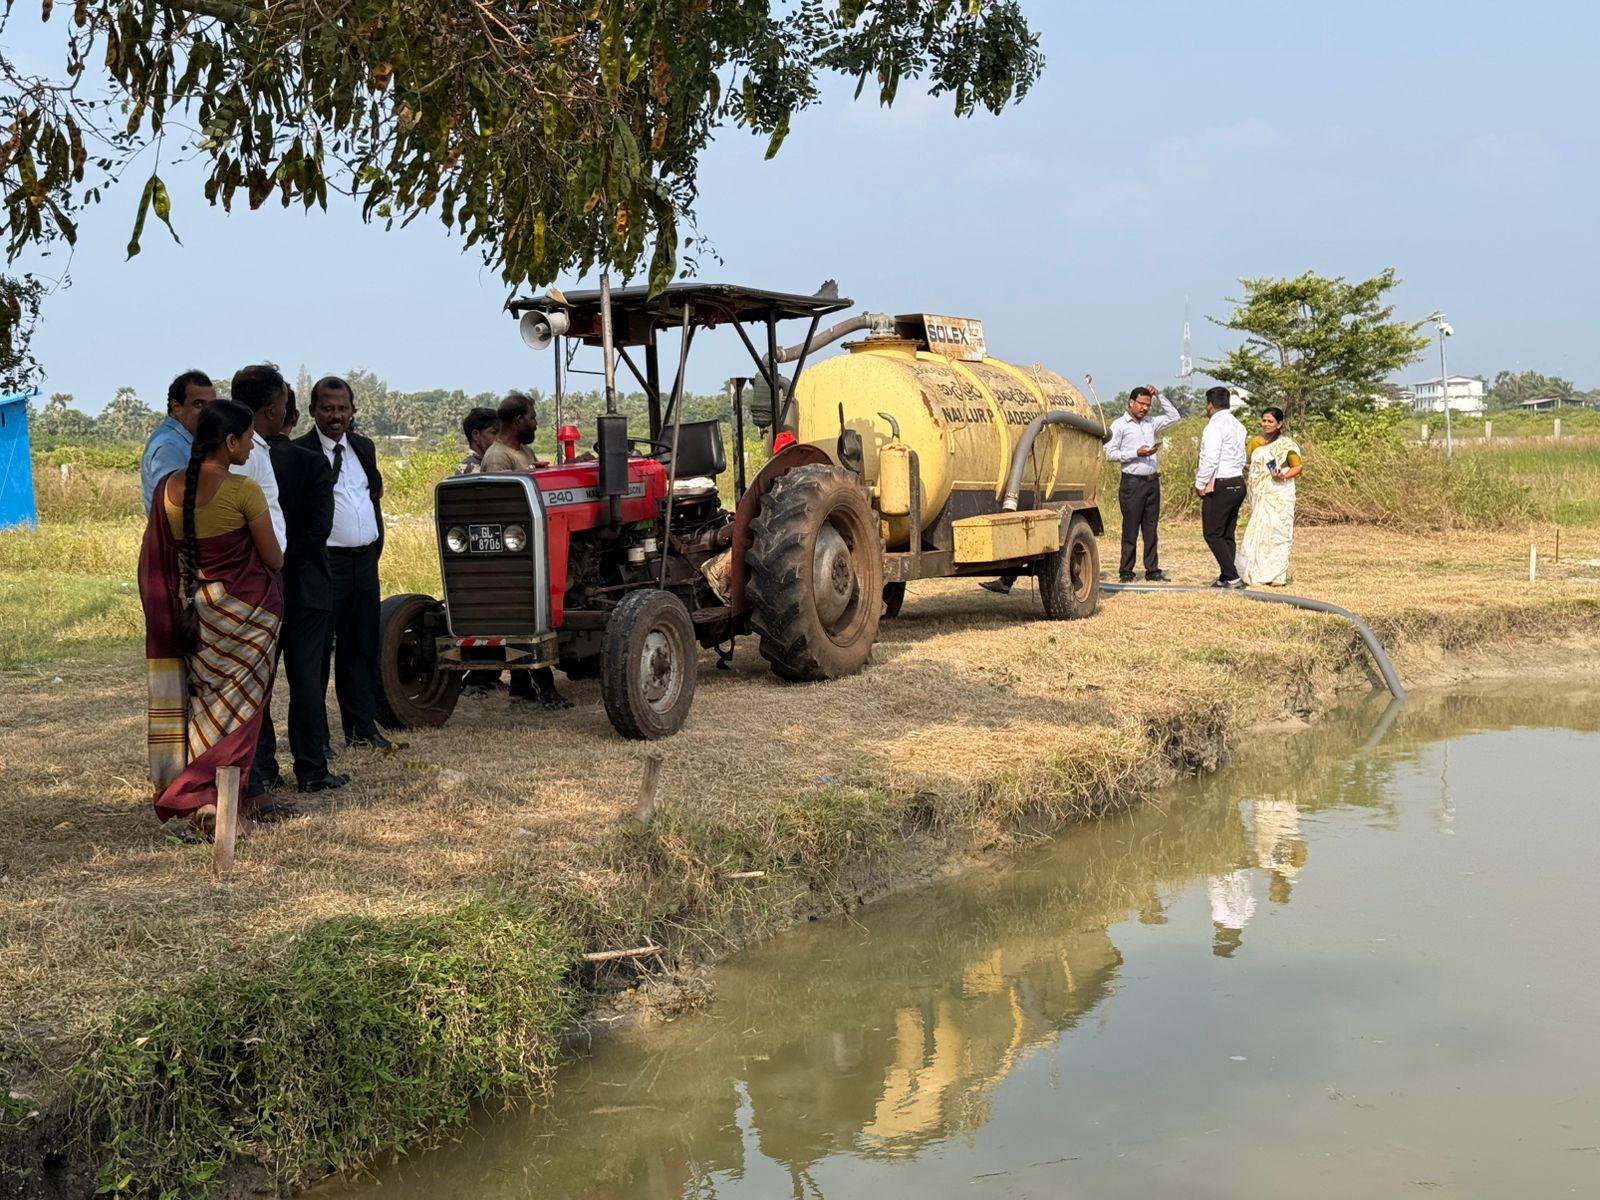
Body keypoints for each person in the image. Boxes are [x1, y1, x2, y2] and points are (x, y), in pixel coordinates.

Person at [138, 400, 283, 835]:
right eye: (248, 438)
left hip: (198, 616)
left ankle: (207, 803)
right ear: (230, 442)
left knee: (206, 711)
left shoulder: (168, 490)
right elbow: (273, 557)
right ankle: (218, 807)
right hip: (249, 618)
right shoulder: (243, 490)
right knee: (240, 718)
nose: (252, 446)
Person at [296, 375, 406, 754]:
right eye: (327, 408)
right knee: (316, 657)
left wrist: (374, 546)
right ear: (312, 411)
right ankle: (317, 742)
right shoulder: (300, 452)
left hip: (364, 562)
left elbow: (370, 495)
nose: (335, 416)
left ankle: (361, 730)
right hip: (324, 565)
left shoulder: (363, 447)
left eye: (342, 408)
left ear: (353, 410)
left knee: (360, 649)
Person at [257, 377, 348, 794]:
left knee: (258, 683)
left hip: (261, 587)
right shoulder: (312, 463)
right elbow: (319, 530)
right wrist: (292, 562)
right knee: (308, 682)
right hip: (308, 584)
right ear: (293, 416)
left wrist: (272, 565)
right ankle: (312, 769)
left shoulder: (240, 462)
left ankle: (262, 769)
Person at [1103, 384, 1181, 582]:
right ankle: (1126, 571)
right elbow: (1110, 453)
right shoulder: (1119, 425)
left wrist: (1160, 395)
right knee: (1130, 528)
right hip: (1132, 483)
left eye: (1148, 405)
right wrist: (1135, 453)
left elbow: (1174, 417)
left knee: (1150, 528)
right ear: (1131, 402)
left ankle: (1152, 570)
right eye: (1141, 404)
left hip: (1151, 481)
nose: (1145, 408)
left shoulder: (1150, 423)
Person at [1237, 407, 1303, 588]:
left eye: (1270, 421)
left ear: (1279, 424)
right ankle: (1255, 571)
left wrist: (1283, 475)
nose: (1266, 424)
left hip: (1279, 494)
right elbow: (1247, 463)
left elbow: (1297, 466)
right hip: (1259, 494)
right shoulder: (1254, 443)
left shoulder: (1286, 444)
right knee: (1259, 531)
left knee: (1278, 532)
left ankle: (1277, 575)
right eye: (1264, 420)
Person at [1195, 386, 1248, 589]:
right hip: (1237, 481)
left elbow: (1210, 459)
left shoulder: (1214, 427)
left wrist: (1200, 483)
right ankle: (1225, 576)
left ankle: (1233, 577)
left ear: (1210, 405)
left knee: (1212, 533)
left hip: (1222, 483)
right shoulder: (1238, 425)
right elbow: (1241, 456)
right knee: (1227, 532)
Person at [140, 370, 215, 514]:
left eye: (211, 406)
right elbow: (174, 505)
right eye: (199, 404)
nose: (208, 413)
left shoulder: (186, 440)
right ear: (176, 408)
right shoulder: (169, 446)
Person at [479, 391, 541, 472]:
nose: (535, 424)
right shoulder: (497, 457)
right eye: (532, 418)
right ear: (519, 420)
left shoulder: (526, 450)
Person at [455, 407, 501, 475]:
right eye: (494, 433)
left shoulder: (488, 464)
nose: (499, 438)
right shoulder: (471, 469)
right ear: (475, 434)